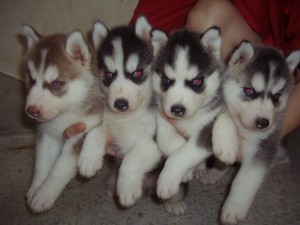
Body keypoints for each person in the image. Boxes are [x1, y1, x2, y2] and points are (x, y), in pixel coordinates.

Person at [64, 0, 300, 141]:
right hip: (246, 50)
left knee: (209, 16)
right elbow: (138, 45)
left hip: (283, 68)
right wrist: (104, 105)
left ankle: (230, 127)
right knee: (205, 16)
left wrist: (263, 141)